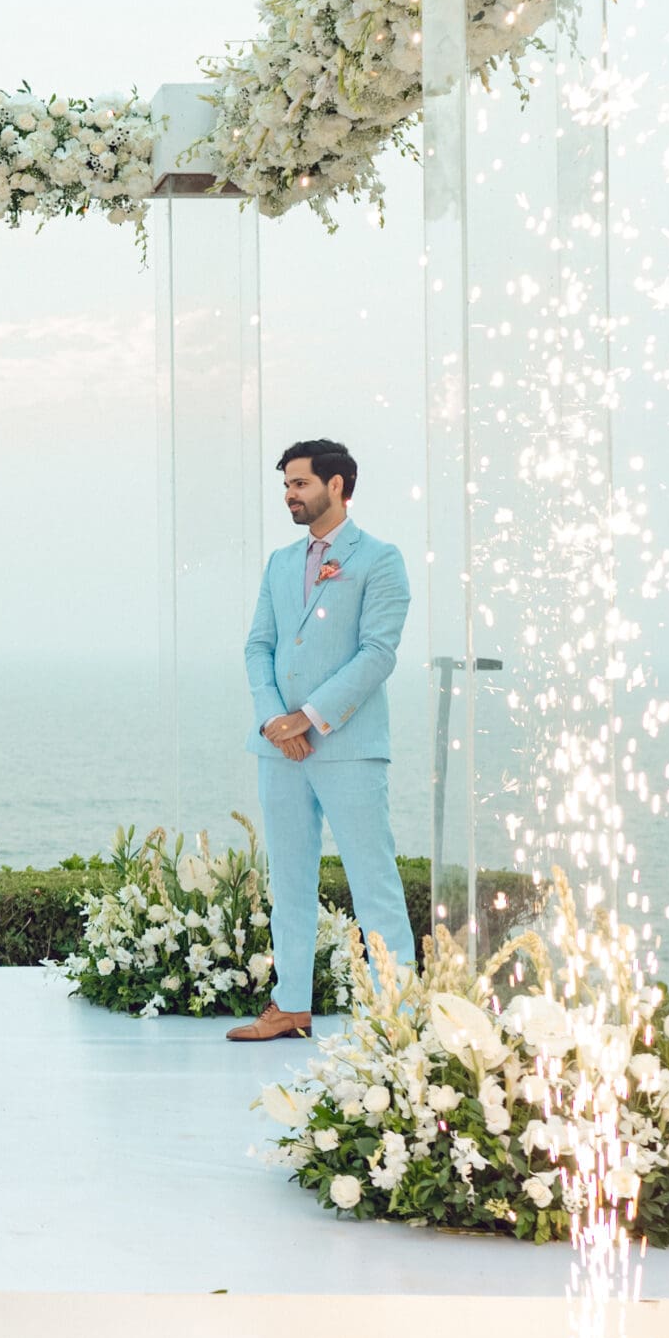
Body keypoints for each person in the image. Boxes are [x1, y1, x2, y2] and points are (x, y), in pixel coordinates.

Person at [229, 439, 415, 1042]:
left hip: (348, 747)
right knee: (288, 881)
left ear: (337, 487)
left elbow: (378, 654)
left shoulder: (381, 559)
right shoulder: (281, 562)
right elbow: (259, 645)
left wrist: (307, 717)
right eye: (286, 484)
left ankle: (399, 1016)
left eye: (301, 483)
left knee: (374, 881)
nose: (290, 494)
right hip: (278, 749)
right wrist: (272, 721)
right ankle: (290, 1005)